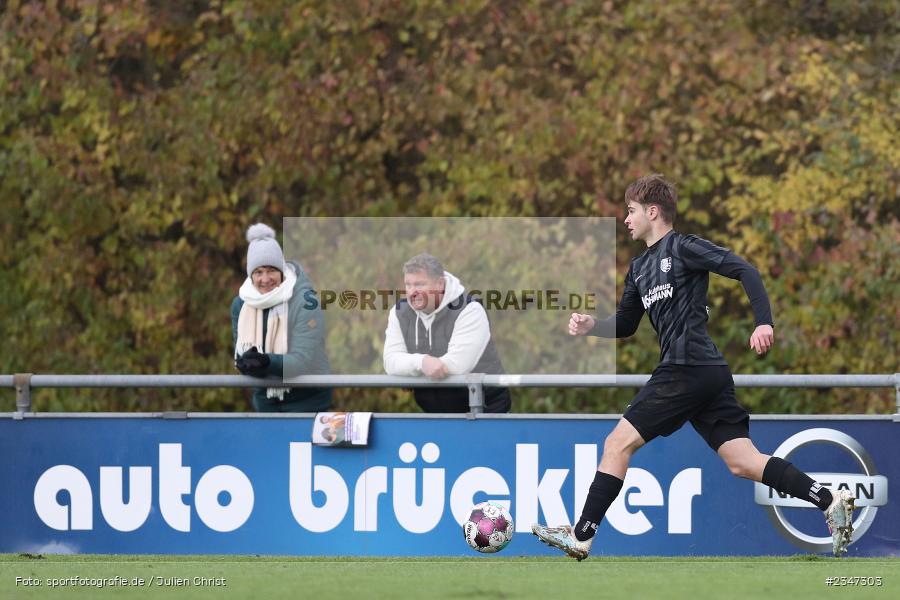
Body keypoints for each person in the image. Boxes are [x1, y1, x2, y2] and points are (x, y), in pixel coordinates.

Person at [531, 174, 855, 559]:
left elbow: (744, 270)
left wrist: (763, 321)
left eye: (631, 211)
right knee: (742, 461)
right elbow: (626, 324)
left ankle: (581, 534)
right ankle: (827, 498)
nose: (626, 219)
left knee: (617, 443)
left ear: (653, 212)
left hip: (688, 367)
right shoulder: (637, 270)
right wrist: (592, 327)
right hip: (704, 373)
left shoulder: (683, 247)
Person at [383, 253, 511, 413]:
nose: (412, 292)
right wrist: (421, 362)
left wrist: (409, 371)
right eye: (408, 285)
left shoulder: (470, 310)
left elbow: (456, 366)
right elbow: (390, 362)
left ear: (440, 284)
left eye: (419, 284)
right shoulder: (398, 312)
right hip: (436, 416)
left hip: (486, 412)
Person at [231, 223, 332, 412]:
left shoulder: (305, 301)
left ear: (282, 271)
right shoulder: (240, 305)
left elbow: (302, 361)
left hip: (309, 403)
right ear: (250, 275)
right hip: (265, 404)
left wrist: (266, 362)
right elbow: (241, 355)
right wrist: (247, 363)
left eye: (271, 270)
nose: (265, 279)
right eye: (258, 272)